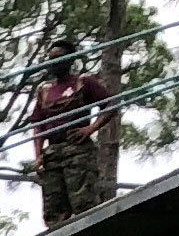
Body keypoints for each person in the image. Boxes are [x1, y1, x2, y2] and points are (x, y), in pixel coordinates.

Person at [28, 51, 117, 224]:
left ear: (69, 61)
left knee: (85, 205)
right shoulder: (45, 91)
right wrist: (38, 155)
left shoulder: (83, 83)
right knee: (54, 212)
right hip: (52, 155)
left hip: (78, 150)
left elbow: (111, 104)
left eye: (58, 59)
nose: (53, 64)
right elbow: (38, 125)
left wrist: (90, 129)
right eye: (51, 60)